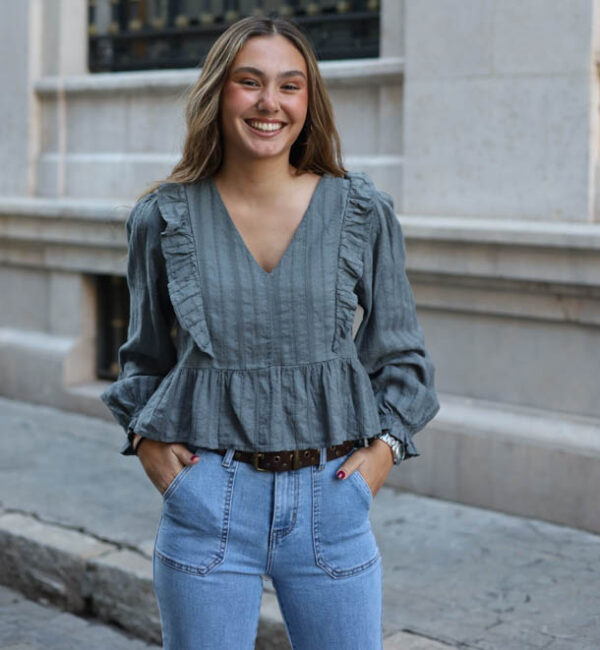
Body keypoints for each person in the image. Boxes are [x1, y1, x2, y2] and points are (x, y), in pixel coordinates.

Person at [101, 15, 439, 650]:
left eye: (290, 85)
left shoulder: (362, 210)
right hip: (206, 504)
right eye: (248, 82)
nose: (268, 103)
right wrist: (155, 456)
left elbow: (403, 359)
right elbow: (142, 360)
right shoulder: (163, 217)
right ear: (218, 93)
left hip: (332, 502)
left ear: (309, 102)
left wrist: (378, 460)